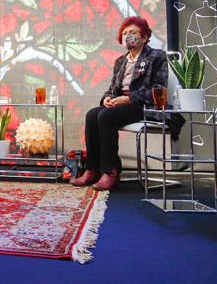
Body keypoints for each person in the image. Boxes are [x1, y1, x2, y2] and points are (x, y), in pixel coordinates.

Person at [72, 16, 175, 191]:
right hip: (121, 104)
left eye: (133, 33)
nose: (128, 36)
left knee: (106, 116)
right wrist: (107, 98)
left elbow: (159, 90)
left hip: (143, 104)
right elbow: (113, 88)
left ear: (144, 37)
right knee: (92, 114)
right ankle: (93, 169)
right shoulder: (121, 61)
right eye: (125, 33)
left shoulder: (156, 56)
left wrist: (129, 98)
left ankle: (111, 171)